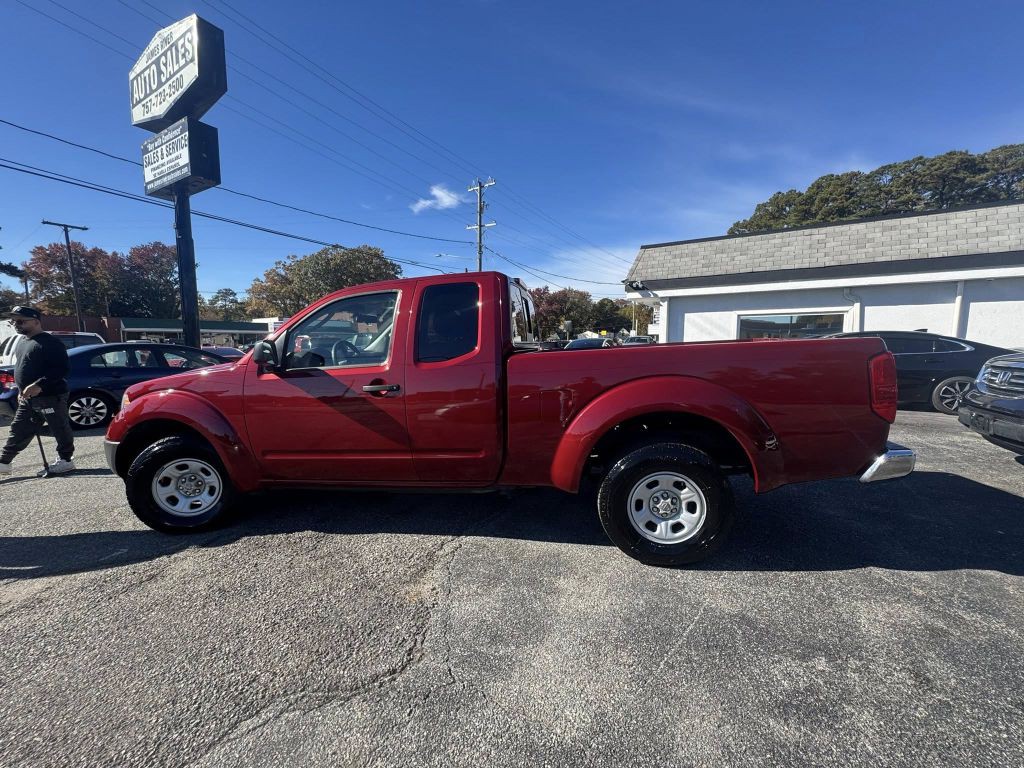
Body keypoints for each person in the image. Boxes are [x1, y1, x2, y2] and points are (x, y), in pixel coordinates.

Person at [0, 306, 76, 476]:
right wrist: (21, 389)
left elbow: (61, 369)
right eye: (14, 321)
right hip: (28, 397)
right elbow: (24, 367)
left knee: (59, 427)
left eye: (20, 321)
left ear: (36, 321)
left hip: (51, 395)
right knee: (19, 428)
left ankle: (66, 460)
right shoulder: (22, 342)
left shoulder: (50, 343)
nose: (16, 324)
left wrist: (39, 384)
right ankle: (4, 463)